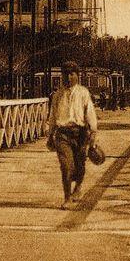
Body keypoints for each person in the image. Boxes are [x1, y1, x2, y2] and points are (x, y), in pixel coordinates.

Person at [46, 61, 99, 210]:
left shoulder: (83, 93)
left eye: (71, 74)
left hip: (80, 133)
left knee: (80, 165)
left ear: (77, 75)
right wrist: (50, 135)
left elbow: (90, 113)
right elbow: (52, 116)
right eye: (65, 74)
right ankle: (67, 197)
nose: (68, 77)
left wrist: (93, 132)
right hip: (62, 134)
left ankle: (79, 186)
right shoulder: (57, 95)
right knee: (65, 166)